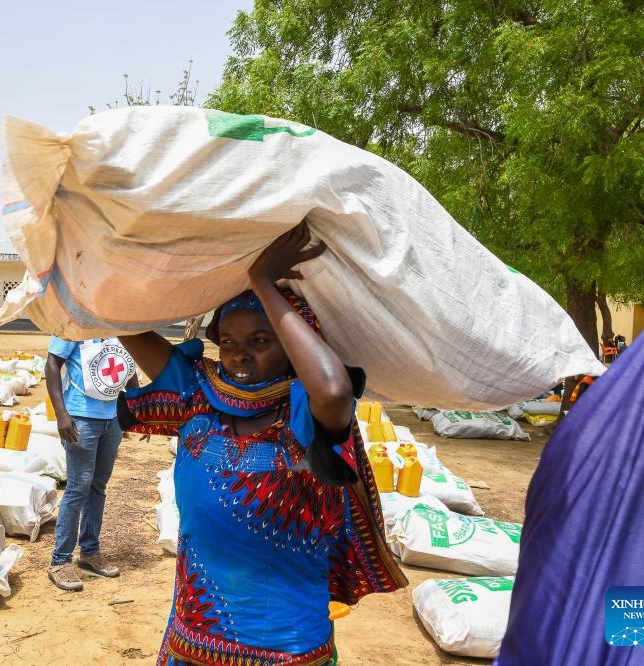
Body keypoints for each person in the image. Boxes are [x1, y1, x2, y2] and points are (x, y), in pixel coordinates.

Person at [117, 222, 406, 664]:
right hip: (196, 636)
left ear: (294, 346)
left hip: (285, 645)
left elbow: (333, 390)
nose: (238, 354)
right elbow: (118, 319)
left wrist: (261, 280)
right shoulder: (199, 397)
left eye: (261, 340)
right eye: (229, 341)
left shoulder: (304, 417)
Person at [496, 290, 644, 665]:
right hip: (631, 579)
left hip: (625, 579)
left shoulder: (600, 425)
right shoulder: (614, 438)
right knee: (635, 630)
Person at [45, 335, 140, 592]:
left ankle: (89, 552)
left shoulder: (121, 326)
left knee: (98, 487)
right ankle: (60, 561)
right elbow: (52, 364)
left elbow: (128, 368)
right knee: (78, 488)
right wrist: (62, 414)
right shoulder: (75, 324)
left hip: (113, 419)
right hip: (80, 418)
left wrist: (136, 410)